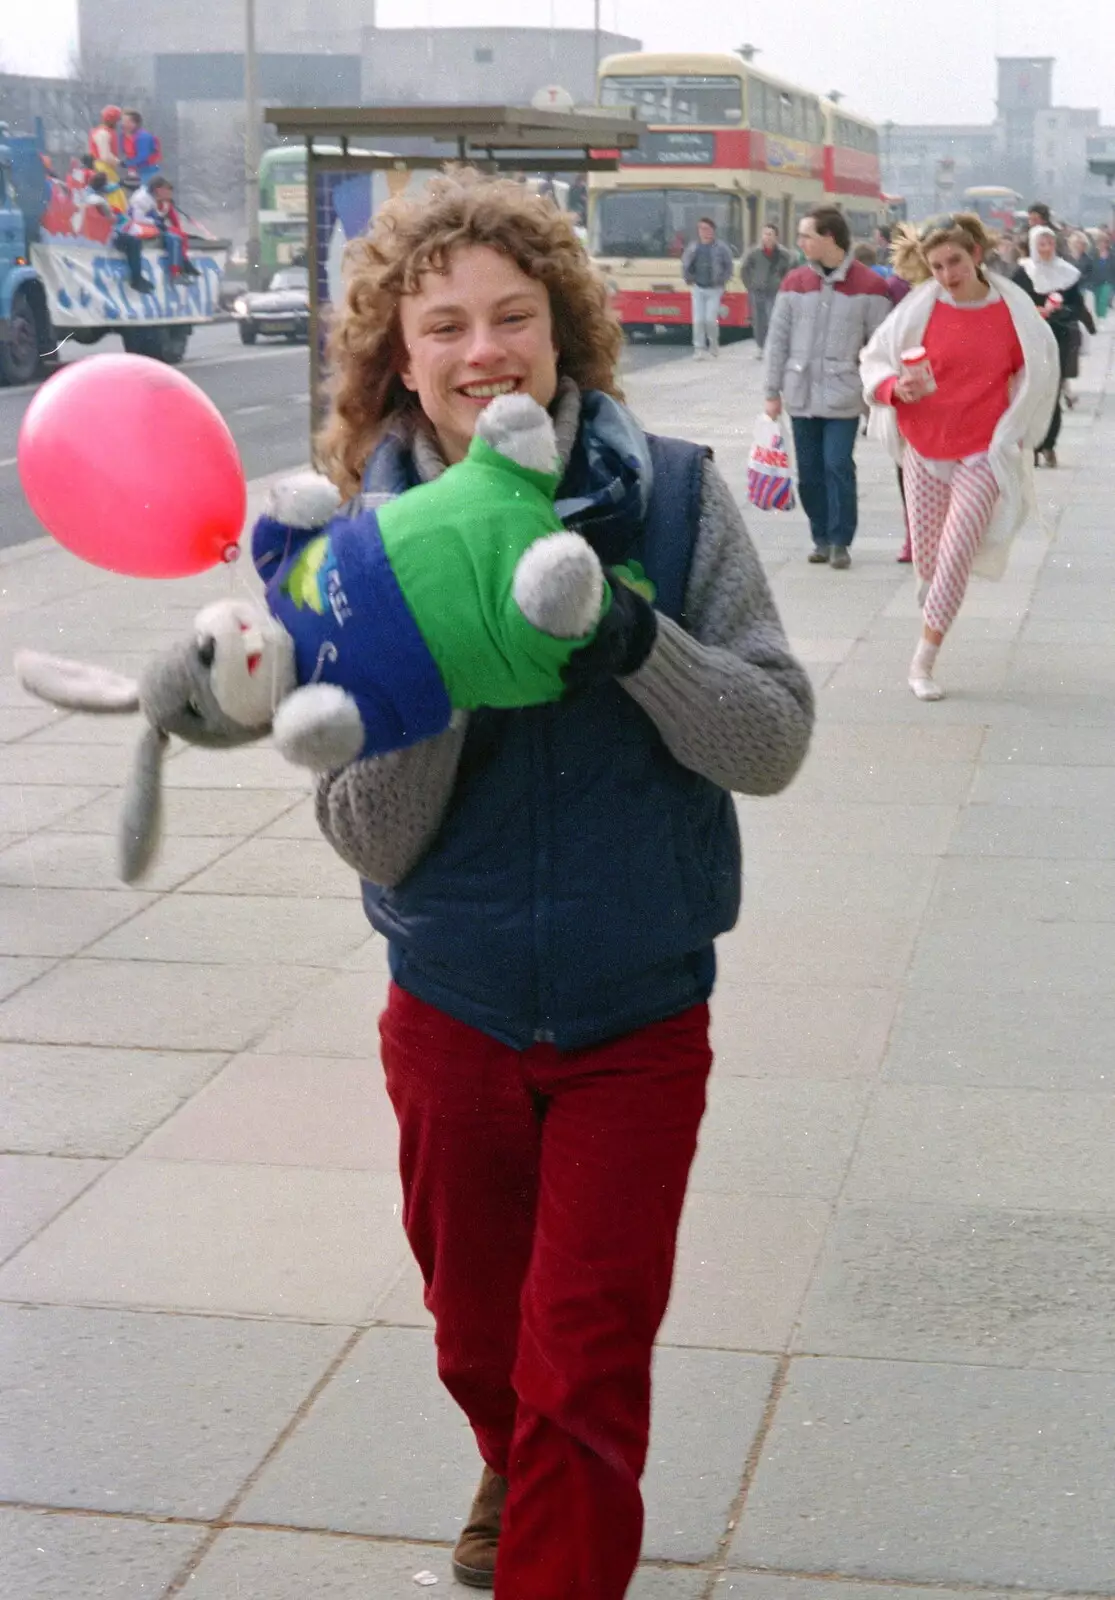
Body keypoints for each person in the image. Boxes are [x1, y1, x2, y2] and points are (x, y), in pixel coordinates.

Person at [311, 169, 814, 1598]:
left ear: (563, 331)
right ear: (397, 358)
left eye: (514, 315)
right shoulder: (357, 549)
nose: (485, 351)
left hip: (634, 1016)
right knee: (482, 1342)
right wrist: (457, 651)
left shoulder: (669, 497)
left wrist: (620, 641)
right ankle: (504, 1446)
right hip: (450, 1006)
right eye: (445, 324)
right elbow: (362, 833)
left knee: (584, 1364)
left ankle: (548, 1507)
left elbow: (770, 740)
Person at [860, 214, 1058, 701]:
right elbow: (874, 358)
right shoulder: (917, 311)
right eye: (938, 266)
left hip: (983, 451)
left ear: (976, 253)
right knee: (928, 562)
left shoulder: (1013, 313)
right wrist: (893, 388)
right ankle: (935, 612)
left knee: (955, 553)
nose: (948, 274)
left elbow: (1036, 370)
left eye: (955, 261)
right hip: (924, 447)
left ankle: (923, 659)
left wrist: (1016, 427)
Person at [764, 205, 891, 568]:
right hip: (800, 393)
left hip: (844, 394)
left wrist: (875, 396)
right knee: (809, 472)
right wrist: (772, 392)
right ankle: (820, 535)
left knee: (837, 464)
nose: (800, 242)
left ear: (829, 238)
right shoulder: (794, 282)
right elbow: (778, 340)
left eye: (807, 235)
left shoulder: (871, 286)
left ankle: (840, 540)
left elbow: (879, 347)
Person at [1012, 225, 1093, 465]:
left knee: (1052, 392)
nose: (1046, 249)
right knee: (1030, 392)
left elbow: (1076, 305)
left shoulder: (1066, 273)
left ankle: (1048, 444)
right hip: (1029, 339)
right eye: (1041, 244)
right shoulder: (1023, 272)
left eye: (1049, 243)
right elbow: (1012, 301)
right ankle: (1031, 445)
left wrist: (1059, 310)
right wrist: (1033, 310)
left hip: (1058, 338)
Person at [681, 216, 734, 359]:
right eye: (701, 229)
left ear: (713, 231)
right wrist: (688, 278)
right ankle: (699, 349)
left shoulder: (721, 248)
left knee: (710, 319)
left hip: (715, 289)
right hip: (698, 287)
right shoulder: (693, 247)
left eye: (706, 229)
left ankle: (714, 343)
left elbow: (729, 266)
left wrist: (723, 279)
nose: (703, 232)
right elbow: (685, 263)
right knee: (698, 320)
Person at [130, 177, 199, 279]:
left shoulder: (162, 201)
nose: (169, 194)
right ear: (158, 190)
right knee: (175, 238)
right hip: (139, 230)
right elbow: (137, 218)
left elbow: (173, 220)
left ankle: (183, 263)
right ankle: (176, 272)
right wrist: (155, 222)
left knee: (179, 235)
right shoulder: (141, 199)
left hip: (154, 228)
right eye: (166, 190)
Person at [741, 223, 794, 358]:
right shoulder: (754, 253)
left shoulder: (784, 254)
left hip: (775, 292)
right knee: (759, 321)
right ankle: (760, 347)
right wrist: (750, 285)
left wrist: (784, 286)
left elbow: (791, 271)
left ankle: (774, 347)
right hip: (757, 291)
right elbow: (744, 269)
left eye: (770, 234)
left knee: (773, 318)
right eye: (765, 234)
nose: (767, 237)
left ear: (776, 237)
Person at [119, 110, 162, 188]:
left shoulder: (144, 137)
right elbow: (125, 153)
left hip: (148, 171)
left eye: (126, 121)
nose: (122, 124)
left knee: (146, 192)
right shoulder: (123, 136)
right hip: (134, 172)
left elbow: (143, 156)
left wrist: (126, 163)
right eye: (122, 121)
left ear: (135, 124)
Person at [88, 106, 121, 181]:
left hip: (103, 167)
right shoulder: (103, 133)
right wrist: (120, 163)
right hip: (103, 168)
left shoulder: (103, 132)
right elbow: (105, 156)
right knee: (114, 191)